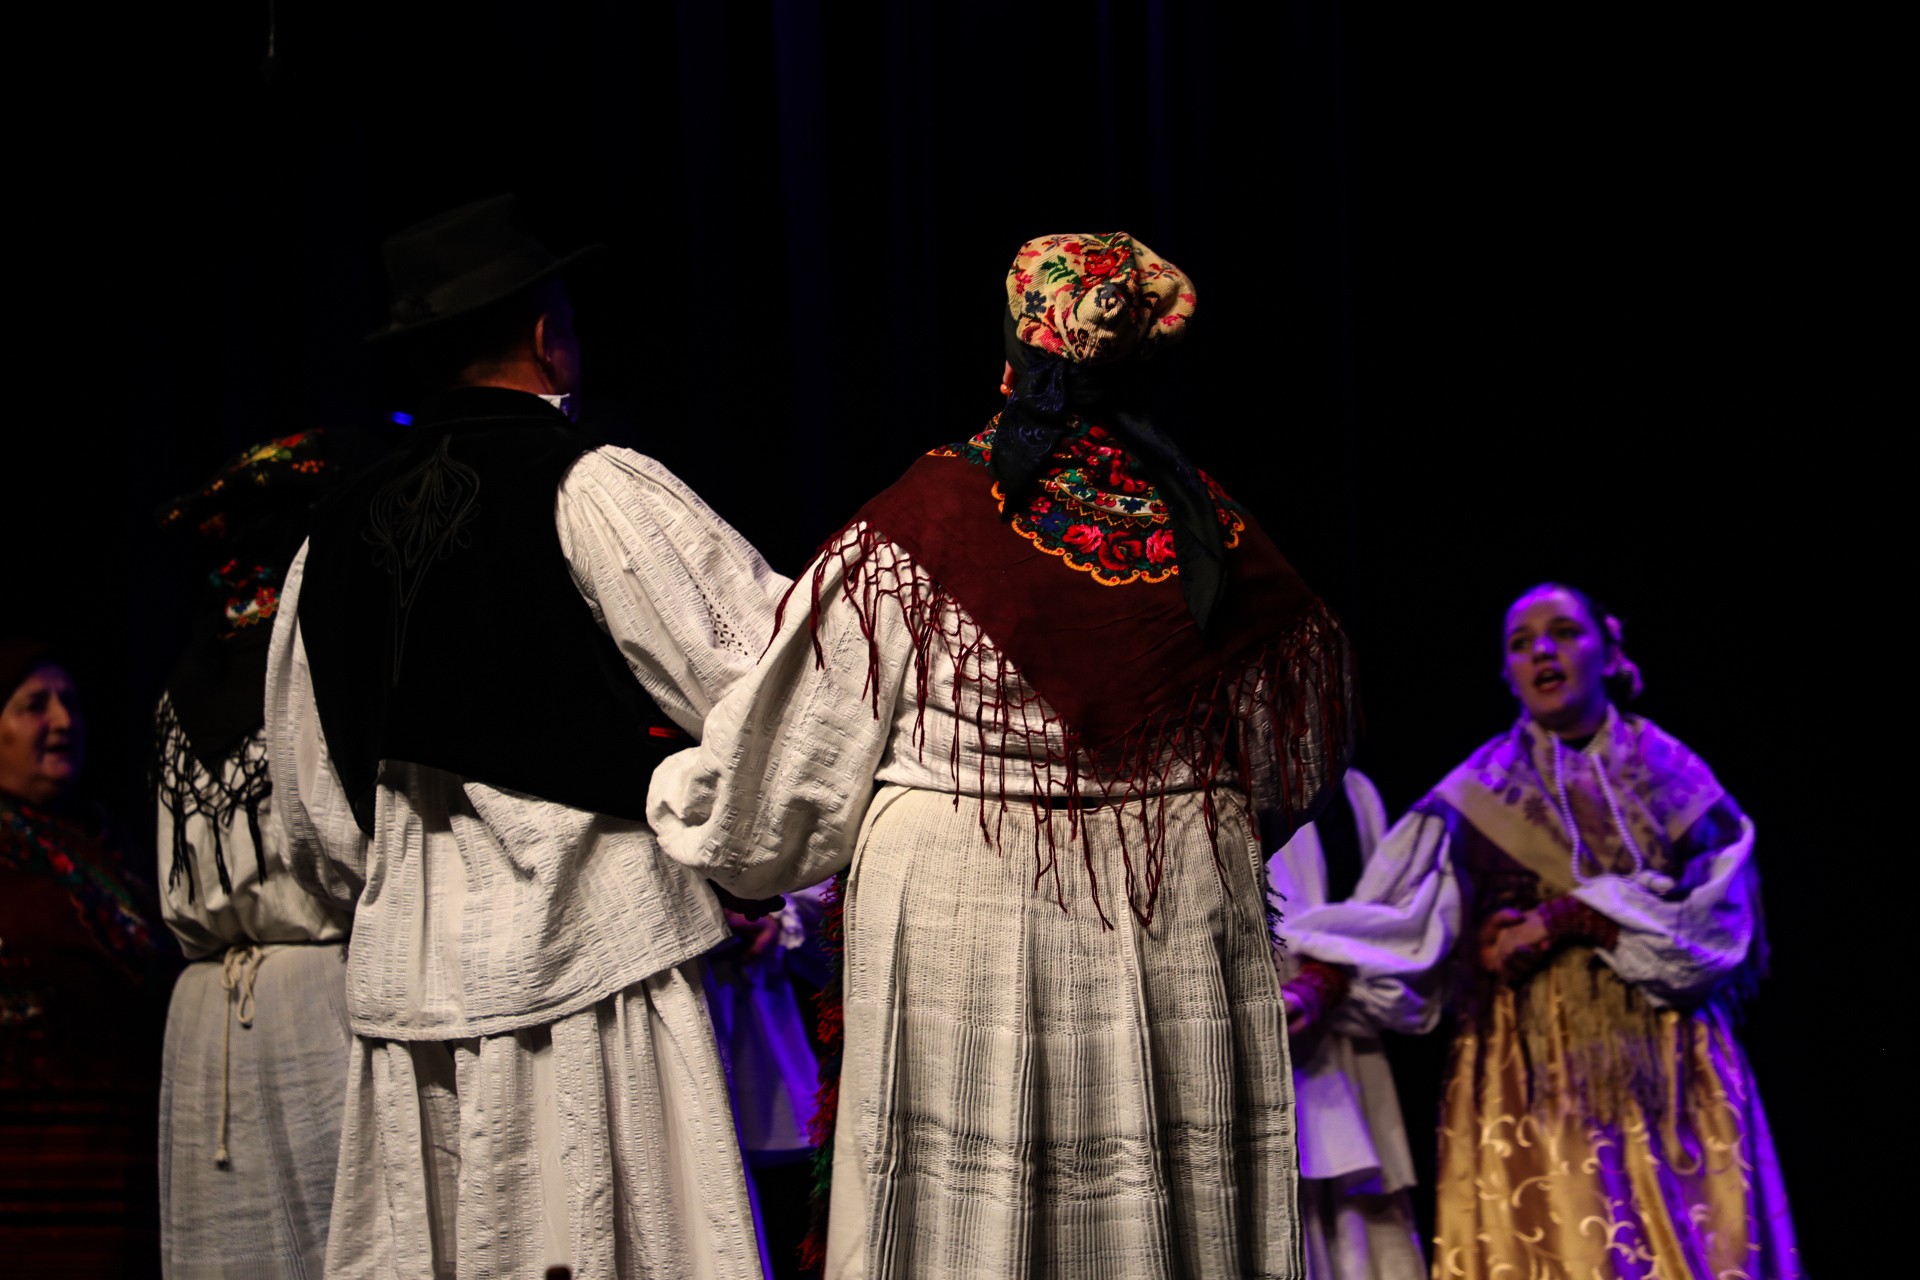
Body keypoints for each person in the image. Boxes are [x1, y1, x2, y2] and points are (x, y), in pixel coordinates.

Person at [650, 232, 1353, 1279]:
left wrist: (686, 802)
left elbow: (788, 787)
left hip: (970, 903)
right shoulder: (1223, 540)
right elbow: (1294, 769)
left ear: (1015, 351)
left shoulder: (922, 524)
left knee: (973, 1218)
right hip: (1176, 902)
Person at [266, 195, 787, 1279]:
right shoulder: (589, 485)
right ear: (550, 338)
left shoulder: (328, 538)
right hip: (598, 951)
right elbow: (769, 689)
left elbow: (312, 803)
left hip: (415, 981)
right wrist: (739, 848)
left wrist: (409, 887)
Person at [1283, 584, 1799, 1278]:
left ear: (1610, 652)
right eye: (1521, 644)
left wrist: (1569, 917)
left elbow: (1720, 917)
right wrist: (1321, 985)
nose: (1543, 652)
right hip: (1530, 1065)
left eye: (1564, 632)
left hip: (1673, 1061)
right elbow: (1399, 914)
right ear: (1507, 672)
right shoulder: (1479, 789)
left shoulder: (1672, 772)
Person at [154, 430, 355, 1279]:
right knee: (344, 1241)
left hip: (209, 1013)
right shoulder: (315, 668)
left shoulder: (182, 685)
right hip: (318, 994)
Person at [0, 642, 166, 1276]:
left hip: (116, 1170)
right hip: (25, 1176)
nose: (63, 721)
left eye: (69, 702)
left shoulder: (111, 846)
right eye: (34, 706)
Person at [1268, 769, 1425, 1280]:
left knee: (1359, 1237)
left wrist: (1328, 977)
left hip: (1340, 1050)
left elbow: (1398, 925)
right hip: (1248, 1052)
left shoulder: (1350, 791)